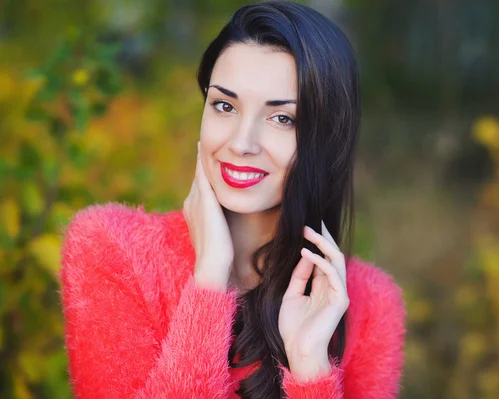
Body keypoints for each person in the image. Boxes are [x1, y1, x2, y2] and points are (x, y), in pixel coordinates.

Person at [58, 1, 406, 398]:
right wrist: (208, 282)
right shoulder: (110, 248)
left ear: (326, 139)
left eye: (282, 118)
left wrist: (311, 372)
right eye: (225, 106)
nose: (241, 143)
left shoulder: (369, 303)